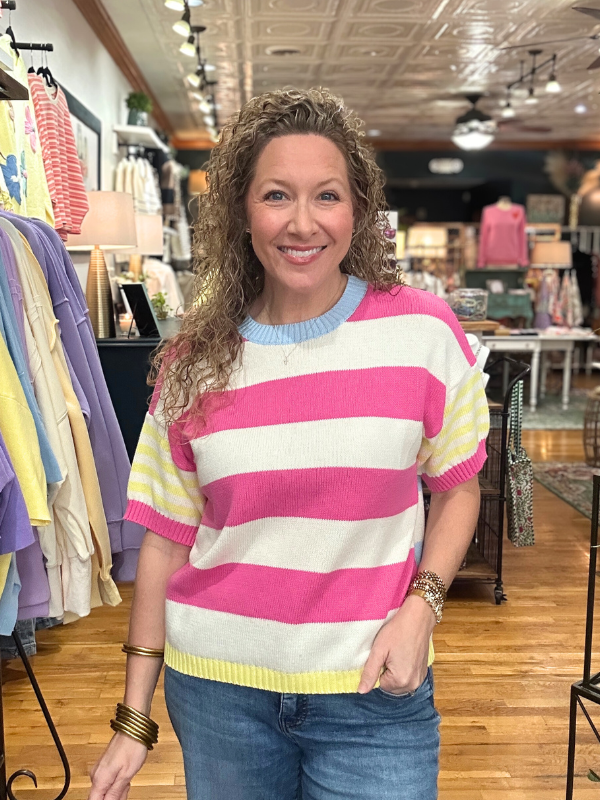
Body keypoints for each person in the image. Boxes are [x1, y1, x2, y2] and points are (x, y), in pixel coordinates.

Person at [89, 87, 489, 800]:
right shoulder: (193, 363)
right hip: (218, 696)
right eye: (277, 195)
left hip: (374, 691)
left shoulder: (423, 336)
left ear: (359, 209)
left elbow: (457, 485)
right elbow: (164, 540)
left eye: (326, 196)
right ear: (243, 211)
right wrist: (133, 715)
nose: (302, 223)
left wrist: (422, 606)